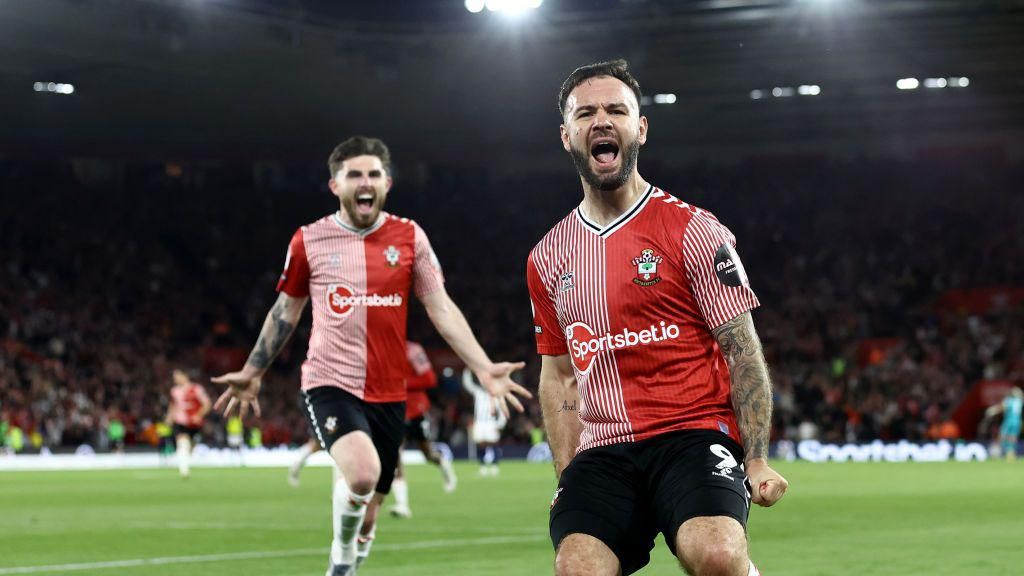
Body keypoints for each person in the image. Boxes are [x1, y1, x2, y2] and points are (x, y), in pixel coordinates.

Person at [212, 136, 531, 576]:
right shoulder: (309, 240)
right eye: (355, 175)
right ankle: (340, 560)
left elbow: (441, 307)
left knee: (370, 512)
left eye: (374, 175)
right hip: (329, 382)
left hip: (389, 391)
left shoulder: (410, 236)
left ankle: (353, 548)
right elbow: (286, 311)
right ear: (335, 185)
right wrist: (253, 370)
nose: (366, 183)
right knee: (361, 474)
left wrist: (482, 365)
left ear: (388, 183)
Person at [527, 60, 789, 576]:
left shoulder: (694, 231)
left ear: (640, 128)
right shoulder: (546, 256)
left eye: (616, 110)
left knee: (715, 553)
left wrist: (755, 457)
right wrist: (566, 474)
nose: (601, 121)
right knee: (577, 568)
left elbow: (743, 349)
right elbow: (558, 375)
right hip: (603, 448)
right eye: (586, 113)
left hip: (692, 433)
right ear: (566, 136)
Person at [389, 340, 458, 519]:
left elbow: (429, 378)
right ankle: (402, 505)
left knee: (427, 453)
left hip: (416, 410)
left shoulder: (412, 350)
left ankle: (444, 465)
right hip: (394, 410)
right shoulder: (380, 349)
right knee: (395, 456)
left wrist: (402, 383)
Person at [164, 368, 211, 479]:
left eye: (177, 376)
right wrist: (169, 417)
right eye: (174, 377)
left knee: (190, 448)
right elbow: (173, 405)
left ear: (185, 376)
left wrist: (199, 415)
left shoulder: (197, 389)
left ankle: (186, 460)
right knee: (182, 444)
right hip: (181, 422)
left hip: (195, 424)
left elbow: (207, 404)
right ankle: (184, 471)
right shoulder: (174, 391)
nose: (175, 379)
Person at [463, 367, 507, 476]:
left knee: (494, 445)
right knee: (480, 445)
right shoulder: (478, 393)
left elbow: (502, 411)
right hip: (479, 423)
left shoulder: (496, 394)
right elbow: (468, 384)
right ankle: (482, 467)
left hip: (491, 423)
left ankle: (495, 466)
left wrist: (500, 424)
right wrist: (467, 371)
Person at [985, 387, 1023, 461]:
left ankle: (998, 452)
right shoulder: (1019, 401)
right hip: (1017, 422)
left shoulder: (1010, 400)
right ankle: (1010, 453)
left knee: (1002, 436)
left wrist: (992, 411)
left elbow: (1001, 408)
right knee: (1012, 438)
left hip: (1009, 421)